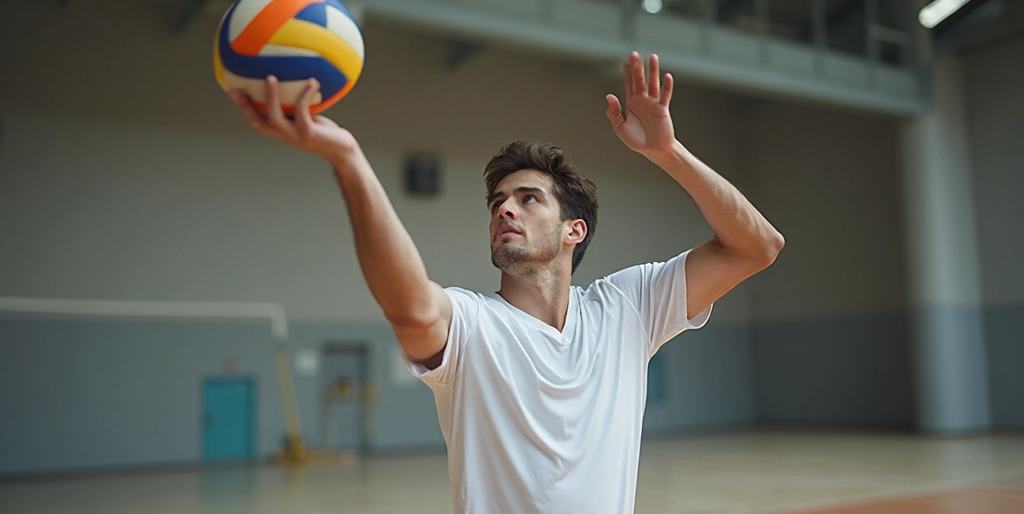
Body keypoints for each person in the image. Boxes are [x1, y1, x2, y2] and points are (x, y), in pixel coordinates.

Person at [230, 51, 784, 514]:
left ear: (575, 230)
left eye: (528, 199)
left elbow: (758, 246)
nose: (505, 211)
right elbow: (415, 314)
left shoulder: (629, 307)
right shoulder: (472, 324)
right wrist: (349, 159)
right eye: (497, 203)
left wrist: (667, 152)